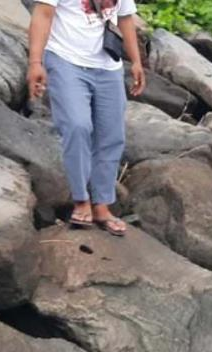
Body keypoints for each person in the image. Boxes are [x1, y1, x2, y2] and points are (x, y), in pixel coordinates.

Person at [27, 0, 145, 236]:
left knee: (111, 136)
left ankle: (101, 205)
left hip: (108, 66)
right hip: (64, 59)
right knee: (77, 126)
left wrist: (136, 62)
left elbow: (125, 19)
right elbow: (43, 14)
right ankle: (81, 200)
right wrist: (35, 63)